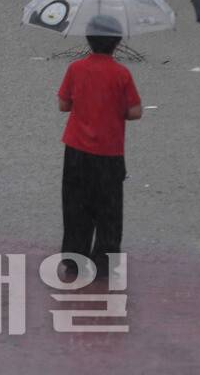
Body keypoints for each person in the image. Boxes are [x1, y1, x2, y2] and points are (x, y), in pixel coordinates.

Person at [57, 14, 143, 282]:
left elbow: (63, 105)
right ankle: (104, 262)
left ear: (88, 39)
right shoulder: (122, 74)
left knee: (75, 207)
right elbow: (135, 111)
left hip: (76, 150)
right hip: (110, 153)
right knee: (108, 209)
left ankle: (74, 259)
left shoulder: (75, 69)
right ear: (117, 43)